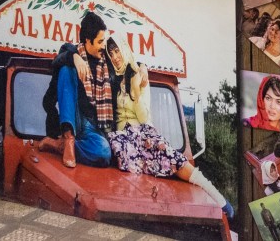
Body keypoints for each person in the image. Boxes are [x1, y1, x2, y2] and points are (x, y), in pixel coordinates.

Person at [104, 37, 234, 218]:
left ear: (124, 49)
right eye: (110, 53)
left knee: (169, 154)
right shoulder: (111, 79)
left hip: (141, 131)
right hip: (122, 138)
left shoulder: (139, 75)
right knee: (123, 153)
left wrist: (136, 91)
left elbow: (144, 117)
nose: (115, 57)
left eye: (117, 50)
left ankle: (218, 197)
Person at [39, 11, 115, 169]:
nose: (103, 46)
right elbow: (58, 59)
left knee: (104, 153)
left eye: (104, 41)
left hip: (93, 125)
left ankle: (59, 145)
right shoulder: (72, 51)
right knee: (66, 69)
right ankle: (68, 138)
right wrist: (74, 57)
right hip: (74, 118)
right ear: (87, 40)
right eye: (100, 41)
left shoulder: (106, 60)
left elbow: (125, 64)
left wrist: (142, 67)